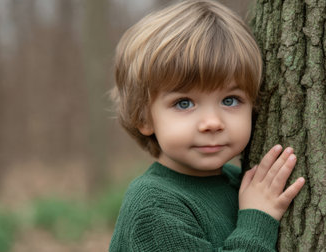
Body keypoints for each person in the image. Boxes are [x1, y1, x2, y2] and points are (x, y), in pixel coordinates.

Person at [109, 0, 305, 251]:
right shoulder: (154, 205)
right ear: (144, 117)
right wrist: (257, 220)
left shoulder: (238, 180)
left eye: (230, 100)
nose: (212, 123)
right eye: (184, 103)